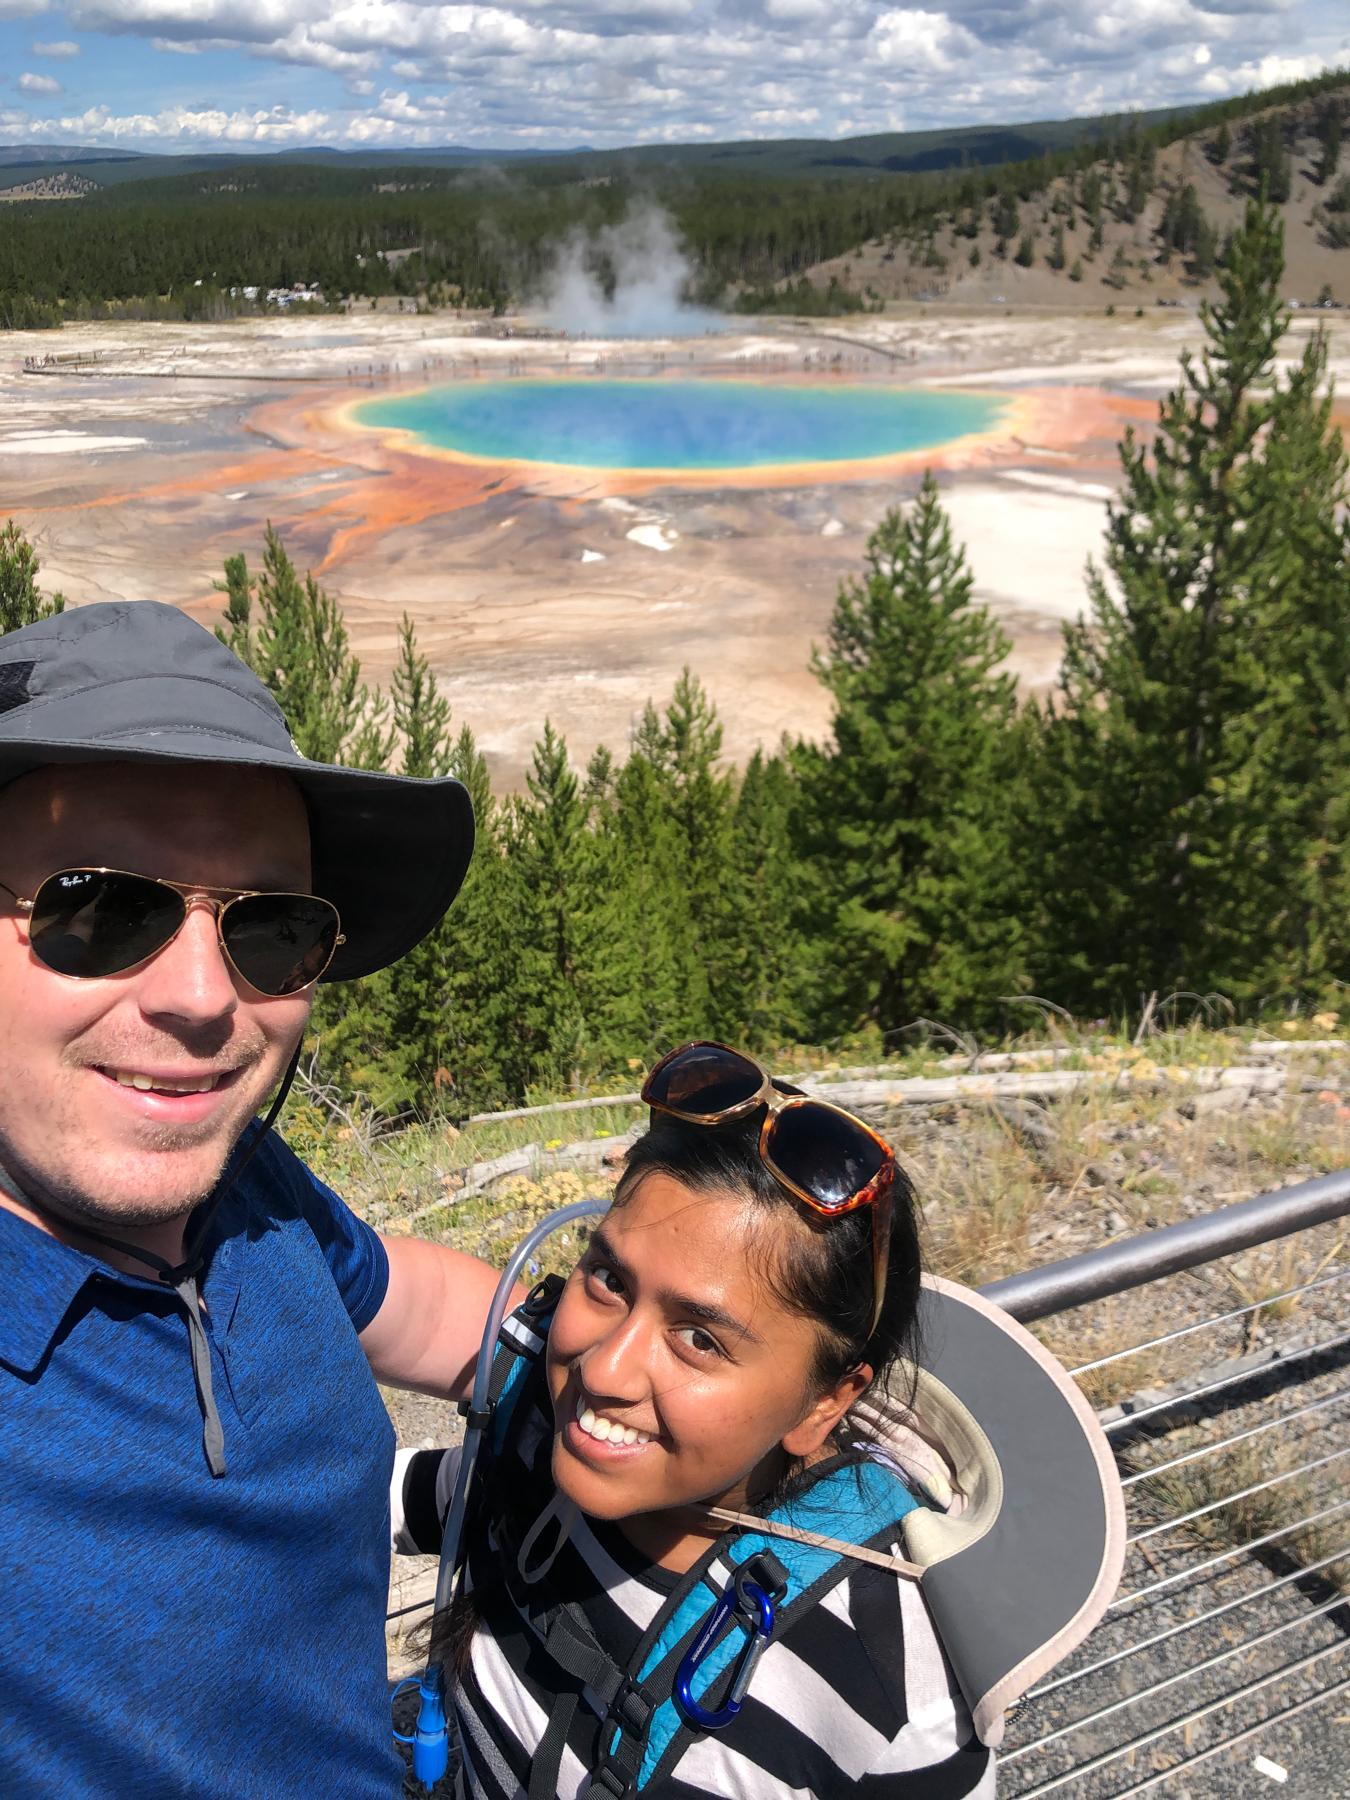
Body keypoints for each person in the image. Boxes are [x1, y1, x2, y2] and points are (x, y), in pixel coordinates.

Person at [0, 601, 510, 1795]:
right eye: (98, 910)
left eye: (270, 930)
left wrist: (664, 1363)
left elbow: (420, 1308)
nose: (202, 1000)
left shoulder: (244, 1189)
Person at [400, 1037, 1114, 1798]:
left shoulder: (891, 1687)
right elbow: (363, 1495)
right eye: (608, 1278)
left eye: (700, 1338)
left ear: (824, 1403)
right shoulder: (529, 1446)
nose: (602, 1370)